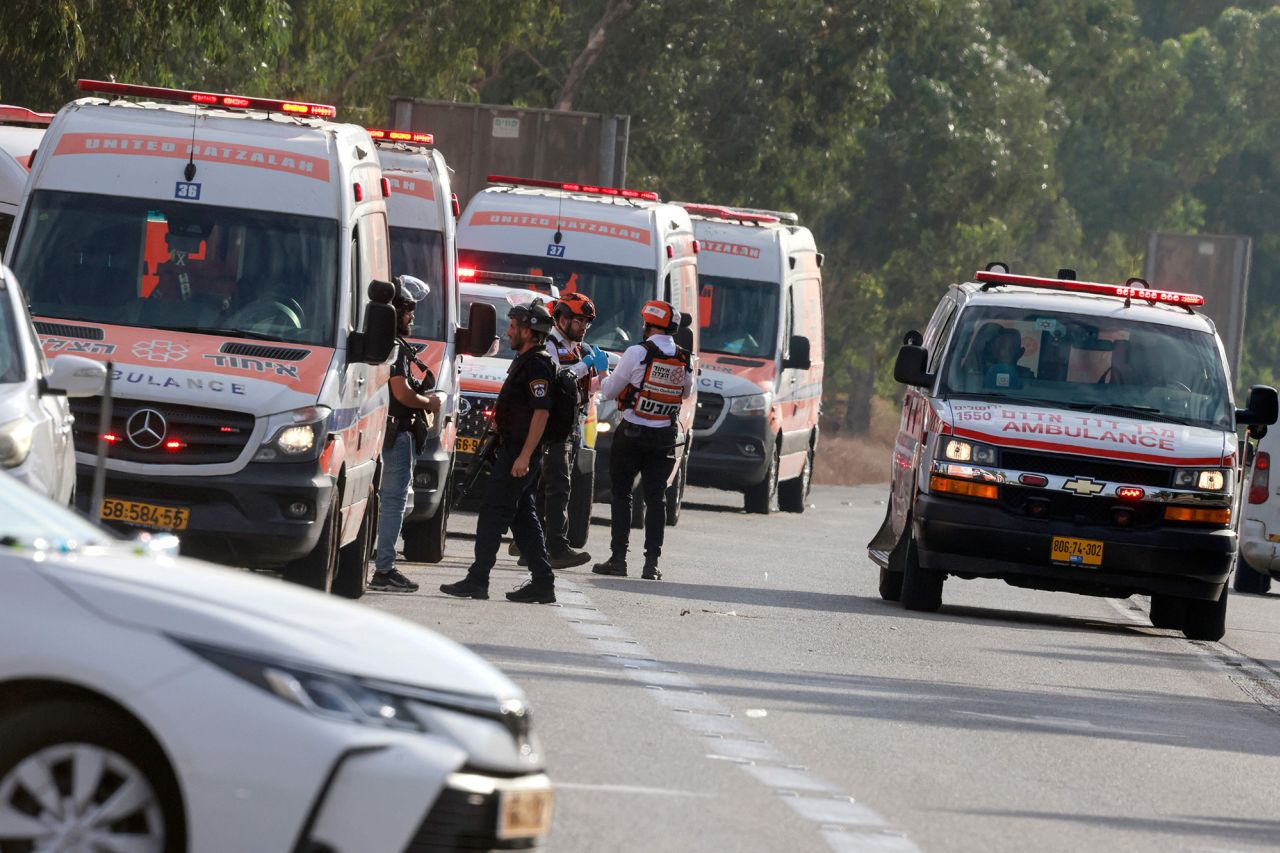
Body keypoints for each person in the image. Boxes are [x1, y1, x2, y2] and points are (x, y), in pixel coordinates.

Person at [440, 299, 560, 604]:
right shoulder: (525, 359)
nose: (508, 332)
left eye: (513, 327)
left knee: (493, 514)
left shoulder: (538, 364)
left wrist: (523, 456)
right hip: (512, 450)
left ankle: (478, 580)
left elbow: (541, 413)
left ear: (530, 332)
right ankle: (543, 582)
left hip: (520, 454)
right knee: (522, 517)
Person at [592, 300, 693, 580]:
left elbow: (610, 391)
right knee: (656, 499)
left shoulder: (637, 352)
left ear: (649, 325)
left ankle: (618, 560)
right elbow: (685, 393)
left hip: (632, 434)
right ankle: (651, 565)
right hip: (664, 437)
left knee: (622, 496)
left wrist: (602, 370)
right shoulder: (685, 358)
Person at [371, 275, 442, 593]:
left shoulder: (385, 343)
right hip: (398, 434)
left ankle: (380, 564)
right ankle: (384, 569)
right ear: (396, 312)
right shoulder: (395, 348)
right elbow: (400, 392)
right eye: (409, 311)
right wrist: (430, 401)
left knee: (387, 502)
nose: (412, 317)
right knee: (394, 502)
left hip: (388, 432)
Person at [535, 293, 609, 568]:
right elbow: (558, 379)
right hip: (553, 424)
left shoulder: (577, 348)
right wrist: (585, 366)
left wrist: (600, 374)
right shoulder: (550, 344)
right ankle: (556, 547)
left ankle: (527, 541)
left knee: (545, 486)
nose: (584, 328)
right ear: (562, 318)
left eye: (587, 323)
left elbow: (585, 388)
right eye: (580, 321)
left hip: (572, 422)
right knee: (558, 487)